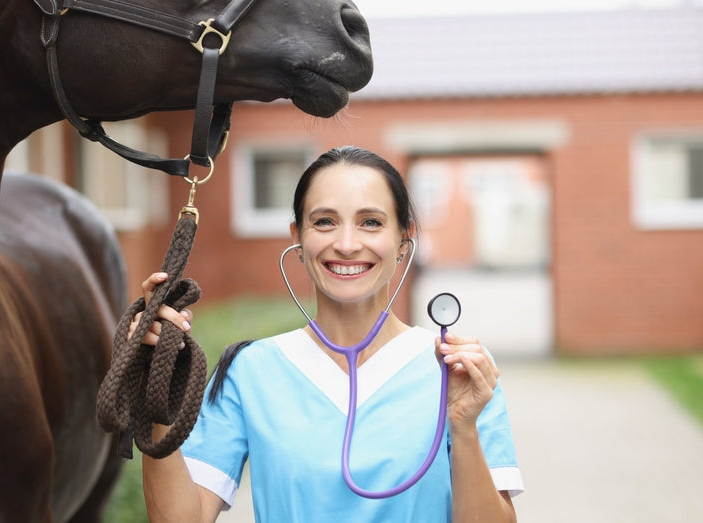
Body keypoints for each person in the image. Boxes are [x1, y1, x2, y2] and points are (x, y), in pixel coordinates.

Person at [132, 146, 523, 522]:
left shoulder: (459, 372)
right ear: (298, 240)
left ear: (404, 241)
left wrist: (463, 427)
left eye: (371, 222)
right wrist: (156, 380)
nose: (348, 244)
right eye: (324, 222)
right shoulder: (249, 372)